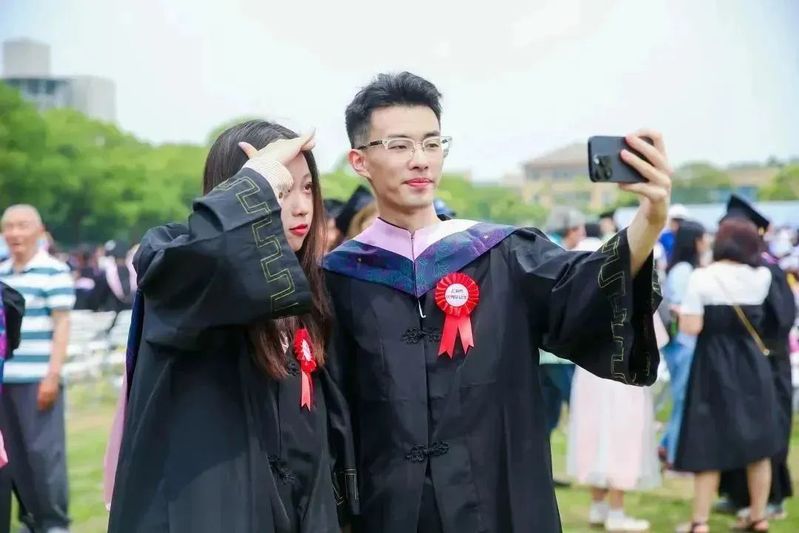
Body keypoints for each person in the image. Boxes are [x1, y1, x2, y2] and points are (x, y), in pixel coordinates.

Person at [323, 71, 672, 532]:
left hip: (496, 504)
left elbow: (585, 286)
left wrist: (650, 219)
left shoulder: (502, 254)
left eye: (432, 143)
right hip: (386, 510)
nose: (420, 160)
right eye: (399, 145)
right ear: (360, 160)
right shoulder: (338, 278)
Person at [107, 120, 351, 533]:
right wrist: (258, 181)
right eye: (281, 190)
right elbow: (217, 255)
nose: (301, 206)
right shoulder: (176, 262)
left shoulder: (308, 292)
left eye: (308, 188)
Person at [674, 217, 780, 533]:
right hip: (752, 363)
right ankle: (758, 516)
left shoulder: (702, 277)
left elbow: (691, 327)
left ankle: (700, 521)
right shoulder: (762, 276)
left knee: (708, 442)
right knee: (758, 445)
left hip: (713, 364)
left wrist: (681, 314)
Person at [566, 237, 661, 532]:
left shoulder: (576, 297)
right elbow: (656, 336)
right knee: (622, 438)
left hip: (589, 376)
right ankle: (616, 511)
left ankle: (598, 506)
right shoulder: (632, 293)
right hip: (623, 375)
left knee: (594, 435)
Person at [717, 196, 798, 521]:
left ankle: (772, 497)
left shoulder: (768, 269)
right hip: (738, 361)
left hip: (769, 360)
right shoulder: (730, 269)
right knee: (737, 426)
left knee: (769, 427)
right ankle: (736, 493)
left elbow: (783, 318)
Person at [0, 205, 75, 533]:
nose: (15, 233)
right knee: (11, 458)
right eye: (8, 227)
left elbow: (62, 326)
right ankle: (29, 520)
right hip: (4, 381)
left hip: (38, 380)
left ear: (39, 230)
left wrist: (52, 375)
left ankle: (54, 522)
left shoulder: (53, 271)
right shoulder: (2, 273)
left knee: (43, 456)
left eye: (22, 226)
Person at [659, 220, 709, 467]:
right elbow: (678, 306)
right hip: (682, 341)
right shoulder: (683, 271)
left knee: (682, 398)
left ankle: (668, 445)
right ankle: (674, 455)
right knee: (682, 399)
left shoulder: (684, 268)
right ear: (695, 241)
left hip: (682, 341)